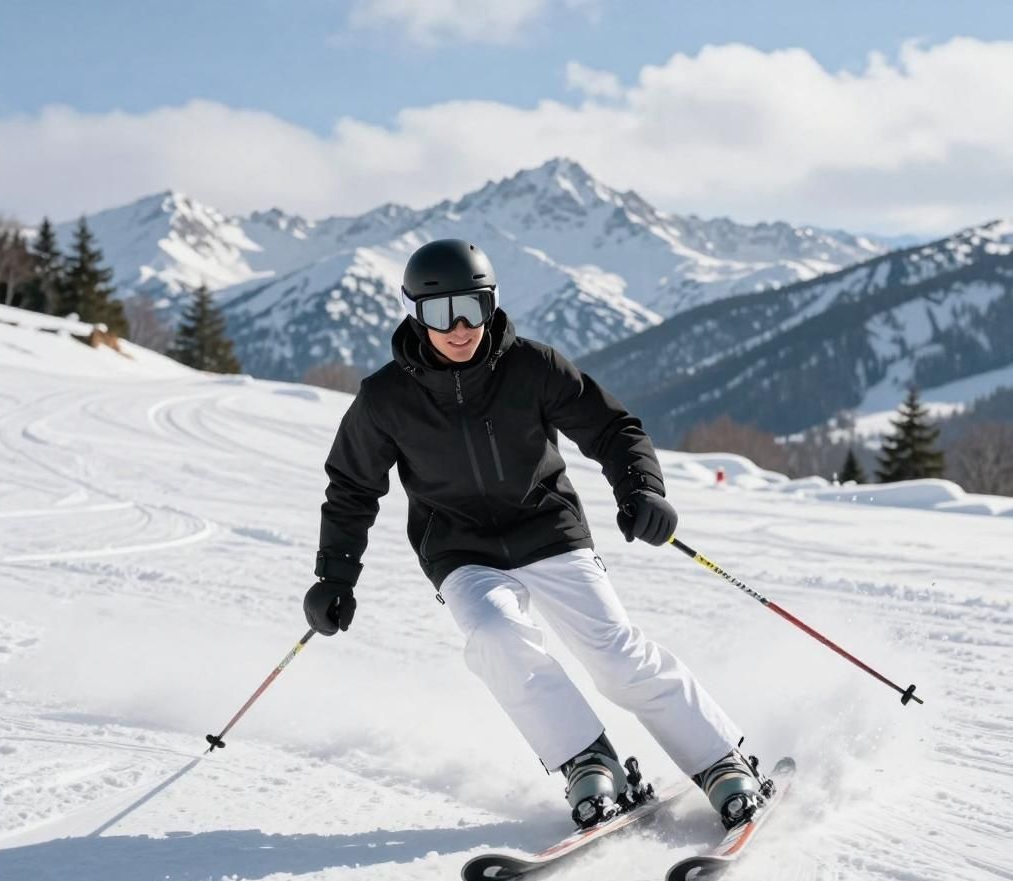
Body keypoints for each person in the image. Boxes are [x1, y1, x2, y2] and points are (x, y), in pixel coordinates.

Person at [304, 238, 773, 830]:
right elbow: (351, 486)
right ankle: (587, 760)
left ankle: (721, 760)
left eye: (471, 308)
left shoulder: (532, 367)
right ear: (413, 314)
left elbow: (611, 428)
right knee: (496, 639)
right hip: (460, 549)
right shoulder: (384, 399)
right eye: (438, 312)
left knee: (614, 655)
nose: (457, 328)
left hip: (549, 531)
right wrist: (335, 576)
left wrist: (641, 489)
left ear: (491, 303)